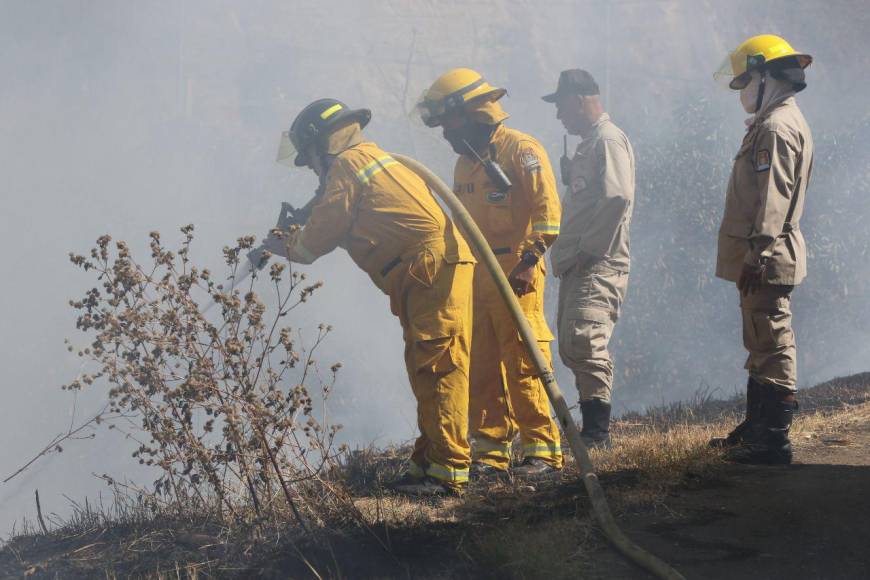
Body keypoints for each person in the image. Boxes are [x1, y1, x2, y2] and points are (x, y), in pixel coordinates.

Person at [267, 98, 476, 494]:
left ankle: (448, 471)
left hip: (429, 268)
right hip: (424, 271)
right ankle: (430, 461)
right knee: (425, 364)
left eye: (310, 159)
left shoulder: (348, 165)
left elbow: (317, 240)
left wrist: (283, 244)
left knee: (438, 364)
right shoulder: (367, 160)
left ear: (320, 145)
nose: (312, 169)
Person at [416, 69, 563, 477]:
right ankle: (492, 449)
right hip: (475, 273)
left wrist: (529, 260)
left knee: (523, 356)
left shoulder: (521, 149)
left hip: (516, 268)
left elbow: (548, 215)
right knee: (480, 361)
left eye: (448, 121)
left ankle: (542, 448)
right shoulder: (466, 164)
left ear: (471, 113)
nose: (445, 132)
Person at [710, 35, 814, 465]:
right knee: (759, 338)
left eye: (746, 80)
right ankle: (757, 426)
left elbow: (774, 196)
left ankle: (772, 440)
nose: (743, 92)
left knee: (771, 340)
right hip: (763, 253)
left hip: (766, 255)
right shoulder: (773, 123)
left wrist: (759, 253)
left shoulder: (775, 128)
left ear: (766, 75)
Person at [542, 69, 635, 448]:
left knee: (585, 338)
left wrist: (586, 250)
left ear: (579, 100)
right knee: (572, 342)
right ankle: (592, 430)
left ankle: (597, 434)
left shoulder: (608, 141)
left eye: (561, 105)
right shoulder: (591, 143)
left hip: (596, 263)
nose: (558, 115)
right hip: (580, 263)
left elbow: (618, 199)